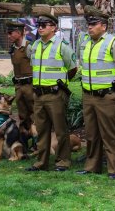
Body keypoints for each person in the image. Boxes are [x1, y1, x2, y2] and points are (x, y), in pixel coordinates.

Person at [76, 6, 115, 179]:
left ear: (104, 26)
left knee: (111, 134)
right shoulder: (86, 44)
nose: (89, 27)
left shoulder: (114, 44)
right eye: (88, 24)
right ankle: (93, 166)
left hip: (107, 96)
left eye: (94, 24)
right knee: (91, 133)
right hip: (89, 95)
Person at [26, 14, 77, 172]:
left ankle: (63, 161)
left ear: (54, 27)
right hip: (39, 94)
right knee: (42, 130)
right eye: (39, 25)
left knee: (60, 130)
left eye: (45, 25)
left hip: (55, 94)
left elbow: (73, 68)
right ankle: (41, 162)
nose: (40, 27)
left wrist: (60, 84)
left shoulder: (62, 46)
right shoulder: (35, 45)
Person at [6, 21, 35, 150]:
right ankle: (24, 145)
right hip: (19, 86)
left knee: (35, 115)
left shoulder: (29, 47)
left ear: (18, 33)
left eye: (10, 33)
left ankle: (37, 145)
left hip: (30, 86)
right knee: (22, 116)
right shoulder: (13, 48)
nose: (8, 36)